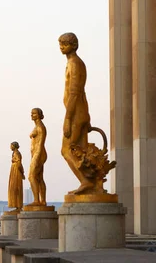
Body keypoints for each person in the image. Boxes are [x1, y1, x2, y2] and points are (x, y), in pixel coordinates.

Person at [59, 32, 93, 194]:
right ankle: (90, 183)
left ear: (74, 45)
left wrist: (68, 119)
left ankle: (86, 181)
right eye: (60, 44)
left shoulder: (74, 63)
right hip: (79, 112)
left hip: (75, 114)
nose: (61, 47)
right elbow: (82, 93)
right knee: (80, 151)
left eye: (64, 44)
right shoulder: (75, 63)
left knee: (66, 150)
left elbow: (75, 92)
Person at [28, 108, 48, 205]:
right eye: (31, 113)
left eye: (34, 113)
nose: (32, 115)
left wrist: (36, 157)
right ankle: (42, 201)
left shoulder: (40, 127)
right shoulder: (38, 126)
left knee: (31, 176)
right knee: (39, 178)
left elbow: (40, 143)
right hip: (37, 154)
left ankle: (37, 200)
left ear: (39, 115)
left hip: (38, 153)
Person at [8, 141, 25, 212]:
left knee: (16, 188)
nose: (10, 147)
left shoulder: (17, 153)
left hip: (16, 172)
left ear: (14, 146)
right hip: (15, 171)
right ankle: (17, 205)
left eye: (11, 145)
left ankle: (18, 206)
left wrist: (22, 173)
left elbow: (19, 163)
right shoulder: (14, 153)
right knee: (14, 188)